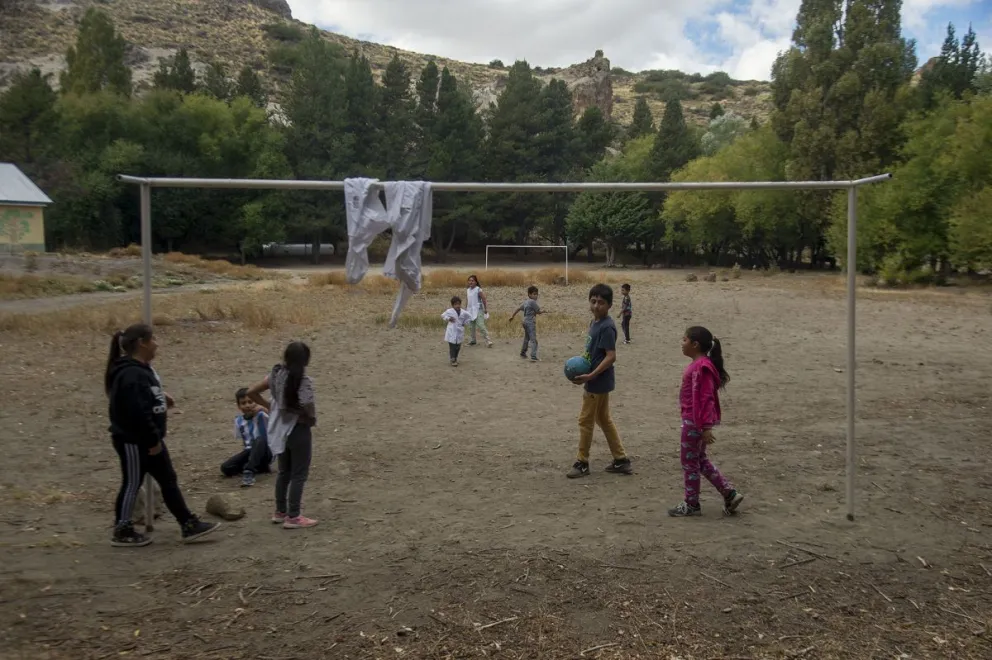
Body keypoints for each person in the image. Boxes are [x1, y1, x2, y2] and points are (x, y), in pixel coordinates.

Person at [105, 323, 220, 547]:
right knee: (132, 482)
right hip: (135, 441)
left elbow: (146, 396)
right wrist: (152, 440)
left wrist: (161, 398)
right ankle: (122, 529)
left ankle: (188, 524)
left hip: (151, 439)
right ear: (142, 343)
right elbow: (137, 412)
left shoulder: (142, 370)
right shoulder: (130, 374)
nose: (157, 343)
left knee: (168, 480)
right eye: (153, 339)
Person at [668, 326, 744, 517]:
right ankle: (729, 493)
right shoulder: (700, 365)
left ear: (695, 344)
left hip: (694, 423)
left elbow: (705, 398)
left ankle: (692, 503)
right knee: (699, 460)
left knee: (689, 462)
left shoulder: (701, 367)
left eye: (684, 340)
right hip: (695, 422)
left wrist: (706, 427)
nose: (681, 343)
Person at [246, 342, 318, 529]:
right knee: (299, 474)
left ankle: (280, 511)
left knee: (284, 471)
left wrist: (270, 406)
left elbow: (251, 392)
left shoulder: (275, 375)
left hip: (279, 429)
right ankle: (293, 516)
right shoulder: (303, 381)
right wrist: (309, 420)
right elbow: (307, 409)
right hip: (297, 429)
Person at [567, 284, 633, 478]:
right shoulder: (594, 323)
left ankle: (582, 462)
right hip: (596, 380)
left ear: (610, 305)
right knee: (603, 419)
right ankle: (621, 460)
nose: (596, 306)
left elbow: (611, 356)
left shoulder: (607, 327)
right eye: (593, 301)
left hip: (597, 382)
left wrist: (590, 375)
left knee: (585, 421)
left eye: (601, 303)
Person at [220, 388, 272, 487]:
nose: (247, 405)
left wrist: (263, 408)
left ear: (256, 402)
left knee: (259, 440)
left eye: (250, 402)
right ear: (239, 406)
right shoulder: (239, 421)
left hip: (266, 451)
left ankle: (249, 472)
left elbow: (276, 417)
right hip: (250, 452)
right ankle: (257, 467)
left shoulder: (262, 415)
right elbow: (245, 442)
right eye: (243, 403)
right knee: (226, 467)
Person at [508, 285, 542, 361]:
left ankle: (523, 353)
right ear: (529, 294)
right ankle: (533, 356)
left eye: (536, 294)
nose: (536, 296)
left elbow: (518, 309)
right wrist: (543, 311)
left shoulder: (526, 302)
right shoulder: (533, 302)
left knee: (526, 338)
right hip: (530, 323)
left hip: (525, 322)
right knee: (533, 340)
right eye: (534, 294)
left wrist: (512, 316)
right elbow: (538, 311)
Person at [442, 296, 472, 367]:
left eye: (459, 304)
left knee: (458, 346)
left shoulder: (464, 312)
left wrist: (465, 323)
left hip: (459, 331)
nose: (457, 306)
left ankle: (455, 357)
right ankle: (453, 359)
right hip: (451, 331)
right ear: (452, 305)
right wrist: (448, 318)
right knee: (452, 346)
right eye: (455, 304)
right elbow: (443, 315)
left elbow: (470, 318)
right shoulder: (449, 311)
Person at [465, 275, 493, 347]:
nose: (471, 282)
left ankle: (488, 340)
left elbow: (483, 299)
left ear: (476, 282)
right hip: (470, 311)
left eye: (472, 280)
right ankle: (472, 341)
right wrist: (466, 310)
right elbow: (467, 300)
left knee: (480, 325)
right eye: (469, 280)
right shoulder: (468, 290)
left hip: (478, 310)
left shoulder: (478, 289)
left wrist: (485, 309)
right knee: (471, 326)